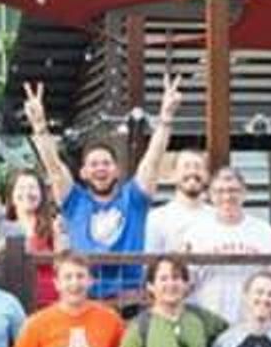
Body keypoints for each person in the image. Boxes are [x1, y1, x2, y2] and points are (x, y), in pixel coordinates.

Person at [25, 77, 180, 304]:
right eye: (94, 164)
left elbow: (152, 162)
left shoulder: (133, 199)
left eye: (106, 163)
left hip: (129, 298)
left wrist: (166, 119)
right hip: (83, 297)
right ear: (83, 173)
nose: (100, 169)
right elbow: (55, 168)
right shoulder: (74, 201)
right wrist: (39, 127)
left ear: (117, 170)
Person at [180, 167, 271, 324]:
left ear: (244, 193)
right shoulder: (194, 232)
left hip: (251, 322)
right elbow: (186, 282)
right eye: (220, 191)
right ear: (211, 195)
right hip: (207, 322)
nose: (227, 196)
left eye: (233, 190)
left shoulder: (263, 231)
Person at [4, 168, 64, 309]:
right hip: (13, 302)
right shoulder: (2, 227)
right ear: (11, 195)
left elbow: (61, 263)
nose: (27, 193)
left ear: (41, 194)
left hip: (49, 301)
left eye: (32, 187)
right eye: (21, 188)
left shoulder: (54, 226)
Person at [142, 149, 215, 257]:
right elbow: (149, 265)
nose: (192, 172)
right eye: (186, 166)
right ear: (173, 175)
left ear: (207, 176)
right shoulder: (157, 218)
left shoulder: (217, 216)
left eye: (198, 167)